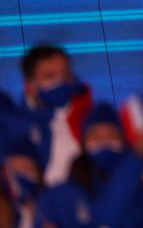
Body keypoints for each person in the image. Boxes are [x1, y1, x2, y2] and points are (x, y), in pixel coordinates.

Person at [35, 104, 143, 228]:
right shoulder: (56, 198)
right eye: (95, 136)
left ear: (124, 142)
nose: (104, 142)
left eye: (112, 136)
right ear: (83, 144)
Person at [17, 46, 94, 187]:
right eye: (50, 76)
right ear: (30, 86)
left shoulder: (91, 117)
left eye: (65, 74)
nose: (61, 81)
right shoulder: (15, 128)